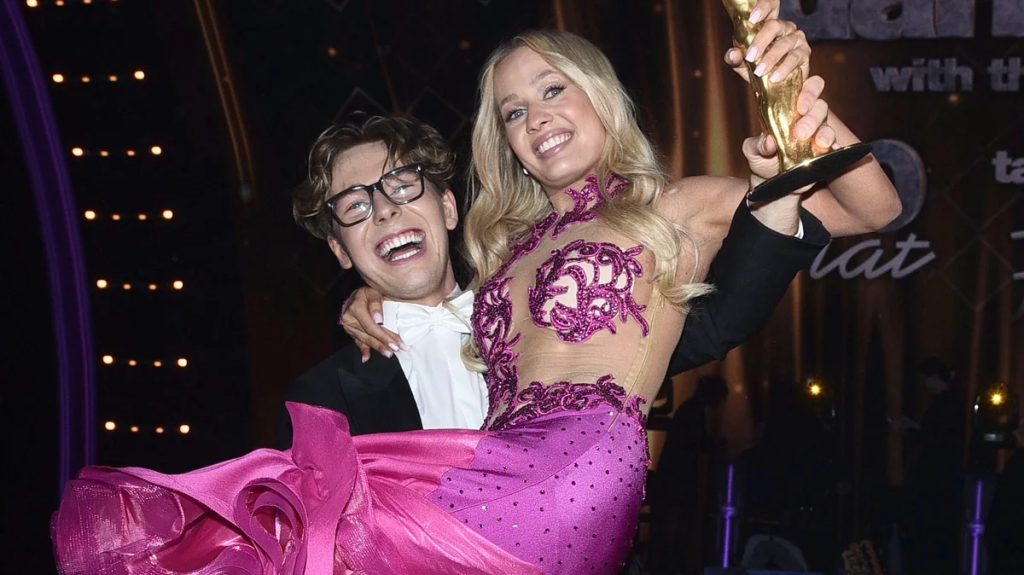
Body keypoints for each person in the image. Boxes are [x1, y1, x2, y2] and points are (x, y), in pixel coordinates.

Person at [52, 9, 900, 575]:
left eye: (552, 90)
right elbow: (443, 299)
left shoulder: (671, 207)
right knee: (293, 526)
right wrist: (369, 301)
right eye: (512, 112)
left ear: (599, 96)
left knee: (282, 516)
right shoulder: (504, 253)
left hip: (577, 469)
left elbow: (874, 207)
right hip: (490, 478)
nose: (536, 118)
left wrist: (797, 111)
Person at [274, 106, 830, 449]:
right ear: (339, 249)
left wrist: (781, 204)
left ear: (447, 207)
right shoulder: (318, 401)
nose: (386, 211)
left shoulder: (560, 307)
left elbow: (719, 323)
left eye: (401, 186)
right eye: (355, 206)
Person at [648, 375, 729, 574]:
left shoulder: (690, 407)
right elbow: (696, 439)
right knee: (678, 515)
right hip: (679, 473)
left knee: (674, 515)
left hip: (674, 470)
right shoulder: (694, 410)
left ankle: (668, 560)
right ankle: (672, 561)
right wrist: (714, 446)